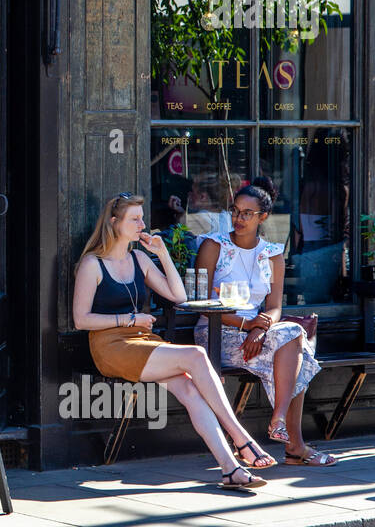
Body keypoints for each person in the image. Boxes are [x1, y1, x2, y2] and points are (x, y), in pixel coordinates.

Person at [72, 192, 275, 489]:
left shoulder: (139, 258)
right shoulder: (93, 264)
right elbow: (81, 320)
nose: (143, 223)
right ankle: (241, 437)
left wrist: (163, 253)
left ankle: (230, 469)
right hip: (110, 346)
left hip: (142, 340)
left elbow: (178, 296)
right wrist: (128, 320)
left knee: (191, 390)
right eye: (135, 219)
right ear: (115, 223)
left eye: (142, 217)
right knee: (194, 355)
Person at [193, 176, 337, 466]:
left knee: (294, 341)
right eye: (235, 210)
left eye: (247, 213)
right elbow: (200, 304)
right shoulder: (213, 246)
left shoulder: (272, 255)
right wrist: (249, 327)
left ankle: (281, 423)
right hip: (218, 331)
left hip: (257, 332)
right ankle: (292, 442)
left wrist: (260, 328)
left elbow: (273, 307)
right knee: (300, 350)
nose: (238, 218)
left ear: (264, 217)